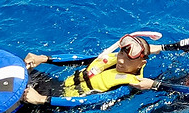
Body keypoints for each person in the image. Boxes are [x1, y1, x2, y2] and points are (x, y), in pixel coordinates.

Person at [21, 33, 167, 106]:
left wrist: (41, 100)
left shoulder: (128, 85)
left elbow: (91, 100)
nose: (121, 59)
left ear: (141, 64)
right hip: (57, 86)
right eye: (121, 53)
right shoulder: (113, 59)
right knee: (22, 68)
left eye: (129, 59)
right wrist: (44, 58)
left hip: (59, 104)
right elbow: (80, 59)